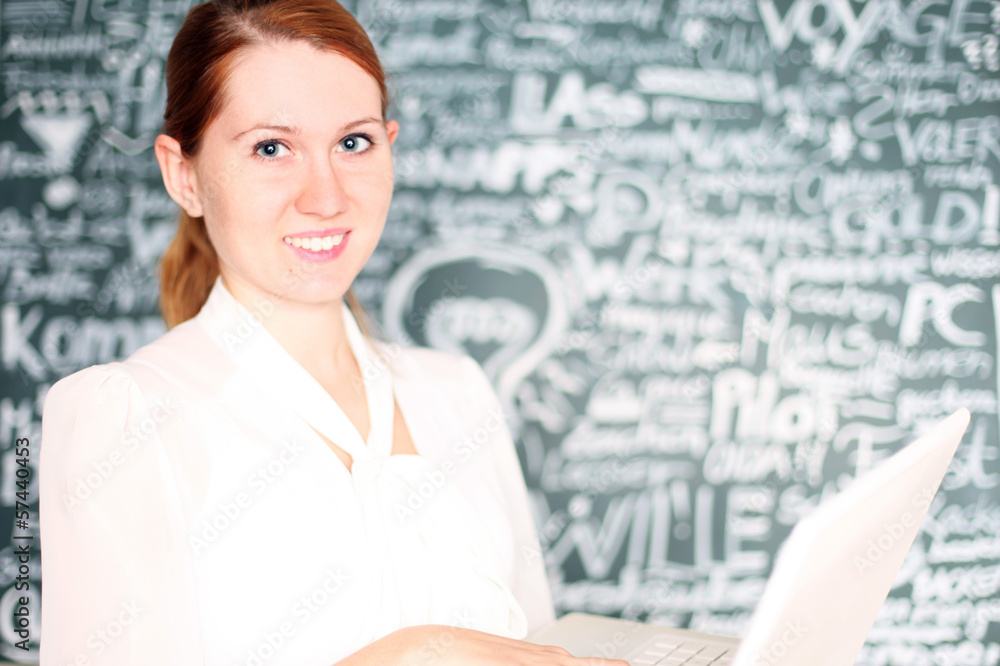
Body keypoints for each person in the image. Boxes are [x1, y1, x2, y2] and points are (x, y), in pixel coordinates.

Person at [38, 0, 631, 664]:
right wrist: (410, 655)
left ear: (390, 146)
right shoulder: (127, 418)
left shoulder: (458, 394)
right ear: (185, 176)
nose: (326, 197)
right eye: (271, 148)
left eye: (353, 143)